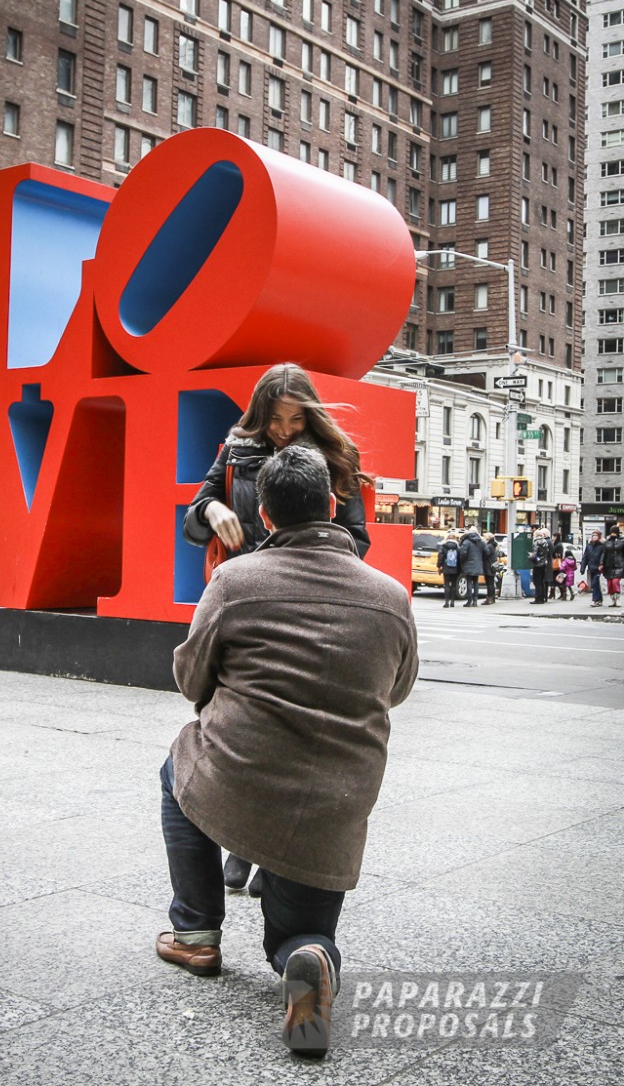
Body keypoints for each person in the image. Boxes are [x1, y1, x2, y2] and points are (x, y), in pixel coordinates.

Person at [158, 446, 418, 1059]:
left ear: (266, 517)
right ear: (331, 505)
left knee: (177, 769)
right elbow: (398, 688)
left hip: (236, 778)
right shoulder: (390, 595)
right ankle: (307, 959)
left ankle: (195, 930)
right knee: (300, 932)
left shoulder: (235, 581)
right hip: (335, 803)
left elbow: (191, 679)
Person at [183, 363, 371, 895]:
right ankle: (244, 840)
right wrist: (214, 507)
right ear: (259, 414)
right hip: (244, 597)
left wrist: (308, 539)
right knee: (240, 722)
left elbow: (358, 541)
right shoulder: (237, 448)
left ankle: (266, 855)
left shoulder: (337, 458)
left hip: (311, 601)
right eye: (275, 419)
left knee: (291, 729)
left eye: (295, 418)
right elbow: (193, 519)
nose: (285, 429)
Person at [458, 526, 486, 607]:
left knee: (469, 582)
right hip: (478, 564)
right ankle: (475, 601)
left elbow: (463, 553)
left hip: (468, 564)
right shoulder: (481, 541)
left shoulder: (467, 541)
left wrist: (462, 562)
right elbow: (486, 552)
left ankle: (469, 601)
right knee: (476, 582)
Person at [580, 529, 606, 607]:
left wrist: (601, 564)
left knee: (595, 583)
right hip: (591, 568)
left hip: (598, 568)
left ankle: (595, 600)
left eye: (596, 535)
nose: (594, 537)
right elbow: (585, 558)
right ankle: (599, 600)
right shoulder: (589, 546)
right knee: (595, 584)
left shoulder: (601, 546)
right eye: (593, 535)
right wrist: (582, 568)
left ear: (599, 537)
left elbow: (603, 556)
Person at [601, 525, 624, 607]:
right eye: (612, 532)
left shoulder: (622, 542)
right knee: (610, 584)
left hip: (619, 565)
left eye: (614, 532)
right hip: (608, 566)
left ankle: (617, 599)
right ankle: (613, 600)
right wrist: (601, 563)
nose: (613, 534)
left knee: (615, 582)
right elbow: (603, 553)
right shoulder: (607, 542)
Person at [436, 531, 460, 608]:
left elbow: (441, 557)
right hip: (455, 567)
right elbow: (460, 558)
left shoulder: (444, 546)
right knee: (453, 585)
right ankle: (452, 602)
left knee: (446, 585)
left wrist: (439, 566)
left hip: (446, 567)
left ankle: (446, 602)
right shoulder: (457, 547)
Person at [529, 528, 552, 605]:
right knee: (541, 581)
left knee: (537, 582)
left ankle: (538, 598)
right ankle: (542, 598)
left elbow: (535, 554)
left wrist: (530, 556)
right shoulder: (545, 542)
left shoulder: (536, 542)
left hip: (537, 564)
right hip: (544, 563)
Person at [481, 531, 499, 605]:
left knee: (489, 583)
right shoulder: (493, 545)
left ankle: (489, 598)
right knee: (491, 582)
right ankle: (492, 598)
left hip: (488, 566)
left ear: (488, 538)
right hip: (492, 566)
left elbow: (486, 554)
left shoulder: (489, 546)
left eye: (485, 538)